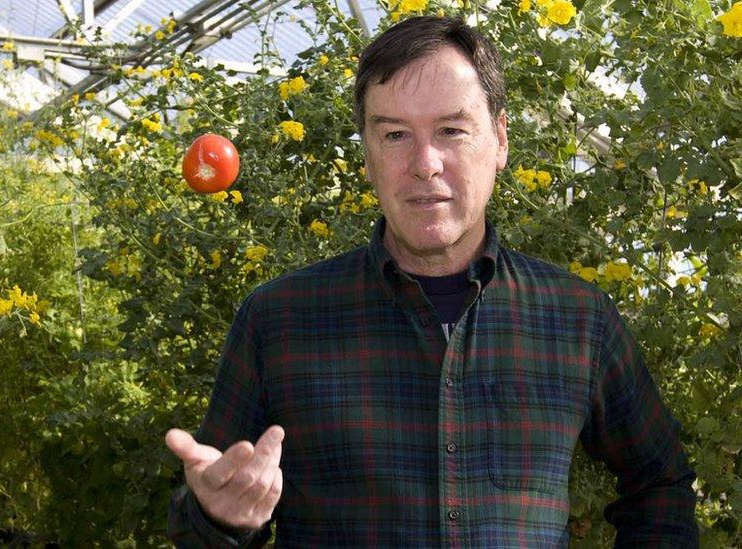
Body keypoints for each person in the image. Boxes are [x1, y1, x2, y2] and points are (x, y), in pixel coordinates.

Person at [165, 15, 698, 548]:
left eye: (451, 130)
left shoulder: (577, 319)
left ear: (500, 140)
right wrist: (221, 520)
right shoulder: (278, 320)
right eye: (395, 134)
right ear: (368, 156)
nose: (425, 164)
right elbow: (206, 510)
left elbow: (660, 483)